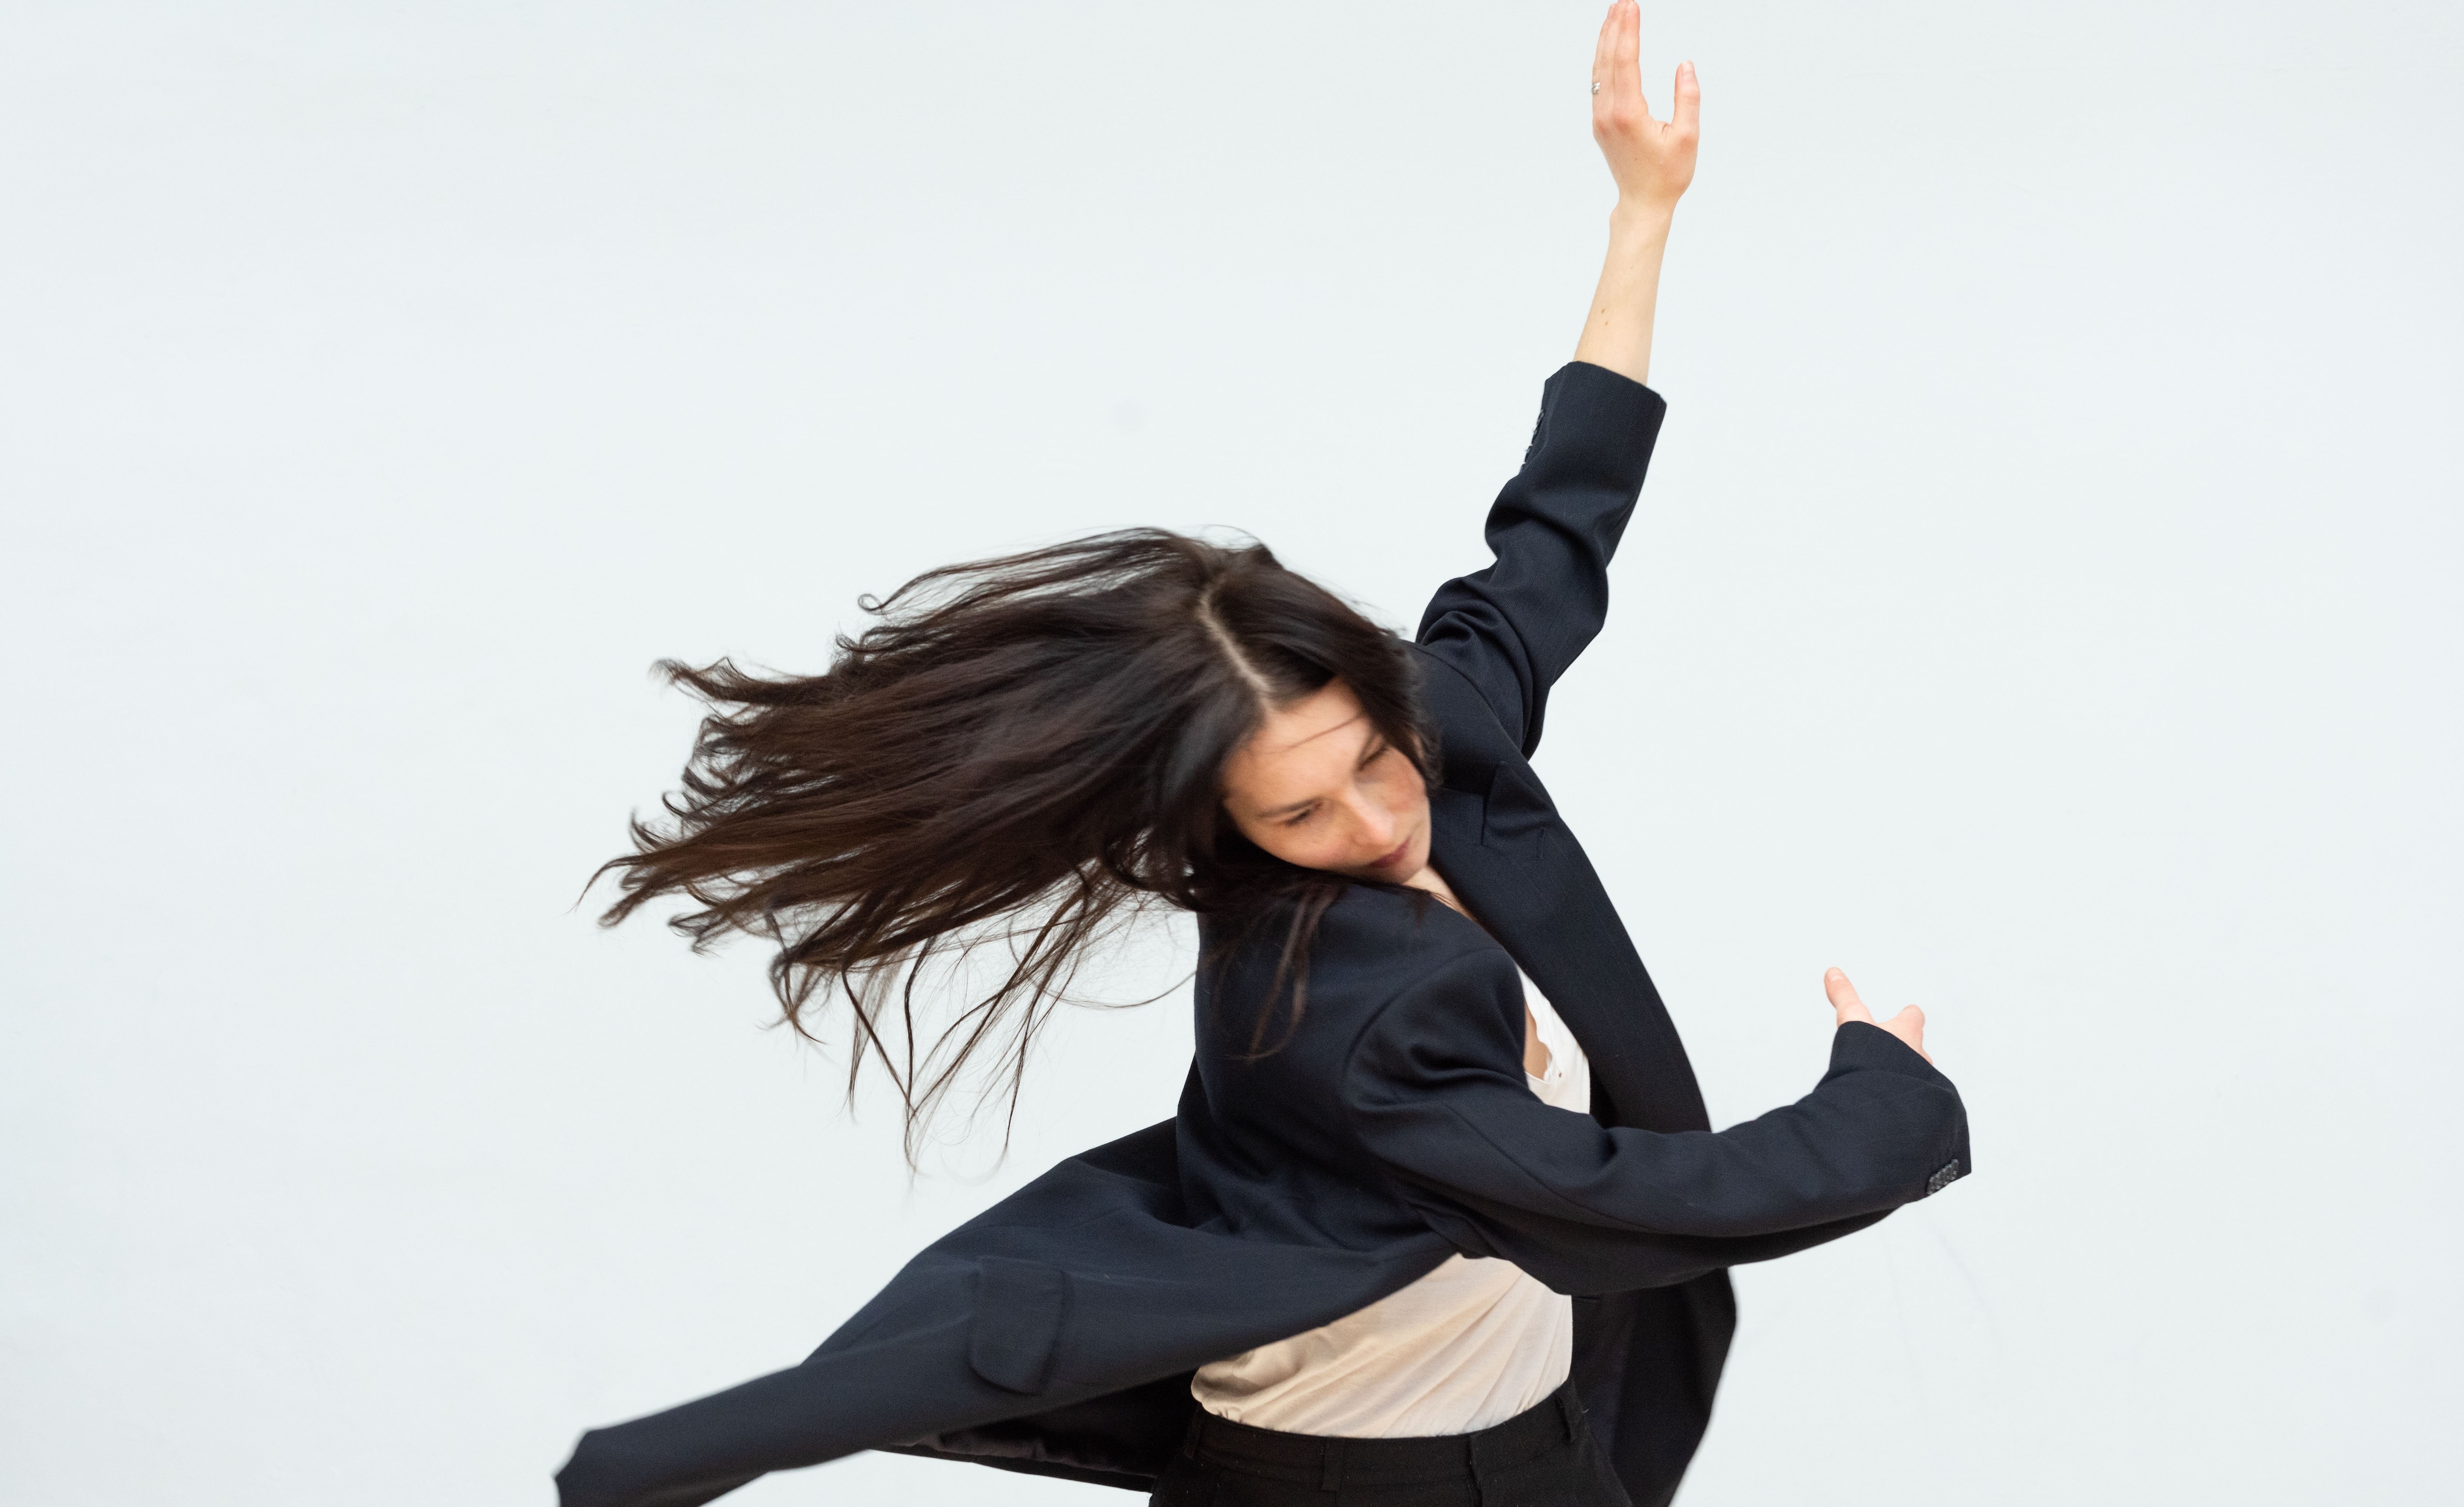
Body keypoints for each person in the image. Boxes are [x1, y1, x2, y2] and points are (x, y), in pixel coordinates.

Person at [557, 6, 1968, 1505]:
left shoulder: (1440, 734)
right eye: (1301, 809)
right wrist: (1881, 1102)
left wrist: (1642, 211)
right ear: (1221, 829)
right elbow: (1613, 1204)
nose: (1375, 821)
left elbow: (1553, 540)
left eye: (1375, 758)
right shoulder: (1339, 1001)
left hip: (1539, 1456)